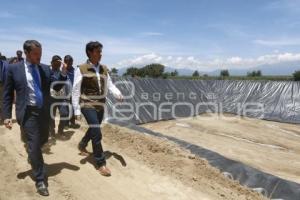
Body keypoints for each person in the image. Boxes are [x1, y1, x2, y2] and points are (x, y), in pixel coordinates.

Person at [2, 40, 67, 196]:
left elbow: (55, 87)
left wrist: (63, 74)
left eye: (41, 53)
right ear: (27, 53)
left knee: (43, 139)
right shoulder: (14, 69)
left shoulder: (44, 69)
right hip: (27, 113)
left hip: (43, 112)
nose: (39, 56)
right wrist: (6, 116)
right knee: (35, 144)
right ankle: (40, 179)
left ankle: (32, 151)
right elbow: (7, 94)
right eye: (36, 54)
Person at [72, 41, 123, 176]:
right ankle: (100, 163)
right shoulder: (81, 68)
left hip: (100, 105)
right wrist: (76, 109)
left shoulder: (104, 69)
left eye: (100, 51)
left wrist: (117, 93)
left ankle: (82, 144)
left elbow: (110, 84)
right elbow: (76, 90)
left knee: (94, 128)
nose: (100, 54)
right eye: (98, 52)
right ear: (90, 53)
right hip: (87, 104)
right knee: (97, 132)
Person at [49, 55, 69, 137]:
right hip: (51, 98)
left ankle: (60, 130)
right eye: (56, 62)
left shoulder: (63, 72)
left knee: (64, 113)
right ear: (52, 62)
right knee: (51, 116)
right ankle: (52, 131)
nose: (58, 64)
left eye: (59, 62)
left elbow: (66, 84)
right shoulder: (48, 72)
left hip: (61, 97)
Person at [64, 55, 79, 129]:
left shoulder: (75, 71)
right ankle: (65, 124)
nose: (69, 64)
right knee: (66, 108)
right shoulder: (62, 71)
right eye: (67, 62)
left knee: (73, 107)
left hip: (73, 93)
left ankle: (72, 122)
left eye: (70, 62)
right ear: (64, 62)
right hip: (64, 93)